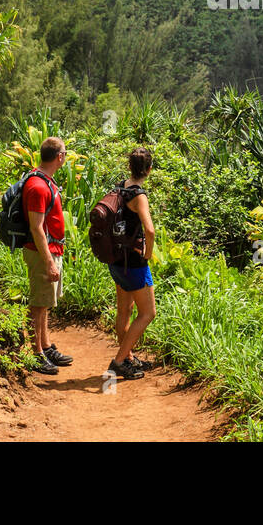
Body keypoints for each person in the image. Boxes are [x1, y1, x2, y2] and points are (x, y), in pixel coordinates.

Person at [23, 136, 73, 375]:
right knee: (38, 303)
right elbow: (36, 228)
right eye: (65, 153)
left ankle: (46, 345)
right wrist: (49, 263)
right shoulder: (38, 186)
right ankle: (37, 354)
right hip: (42, 253)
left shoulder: (46, 181)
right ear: (59, 157)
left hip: (52, 251)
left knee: (45, 303)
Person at [108, 147, 157, 381]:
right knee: (148, 313)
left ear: (129, 167)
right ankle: (118, 361)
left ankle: (127, 357)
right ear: (148, 169)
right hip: (134, 263)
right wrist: (148, 255)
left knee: (124, 310)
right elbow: (150, 229)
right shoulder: (139, 195)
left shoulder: (119, 187)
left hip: (116, 259)